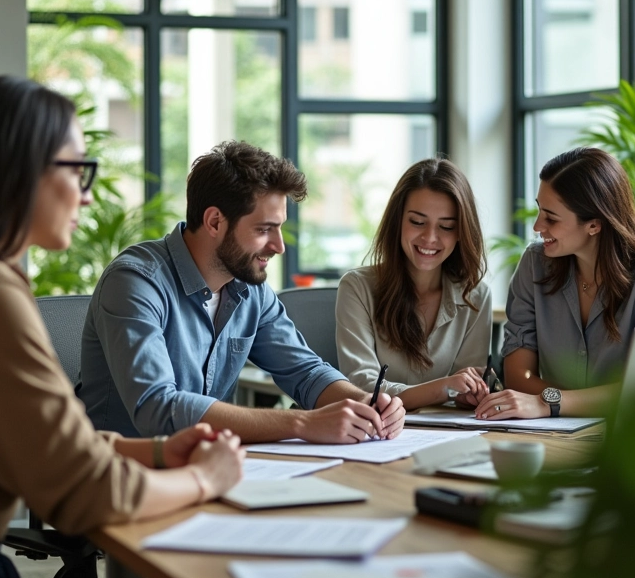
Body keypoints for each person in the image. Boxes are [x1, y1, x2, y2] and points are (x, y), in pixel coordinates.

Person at [0, 76, 245, 578]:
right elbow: (82, 491)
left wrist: (163, 451)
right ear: (24, 173)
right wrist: (204, 478)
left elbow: (51, 445)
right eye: (79, 171)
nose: (88, 196)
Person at [77, 141, 405, 444]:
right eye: (264, 230)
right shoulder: (135, 282)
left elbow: (305, 372)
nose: (278, 246)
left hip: (212, 471)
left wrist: (362, 403)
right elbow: (157, 408)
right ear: (215, 222)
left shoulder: (248, 287)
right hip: (119, 481)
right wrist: (302, 423)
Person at [474, 146, 635, 421]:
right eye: (540, 210)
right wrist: (580, 402)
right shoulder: (534, 264)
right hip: (552, 433)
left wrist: (548, 402)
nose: (537, 226)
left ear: (594, 225)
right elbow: (518, 377)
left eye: (551, 217)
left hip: (628, 445)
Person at [335, 158, 492, 411]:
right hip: (374, 434)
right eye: (417, 222)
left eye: (446, 226)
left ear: (461, 231)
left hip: (446, 437)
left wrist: (470, 393)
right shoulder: (357, 288)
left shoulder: (475, 295)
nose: (430, 238)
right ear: (398, 221)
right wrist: (444, 388)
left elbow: (468, 381)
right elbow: (363, 388)